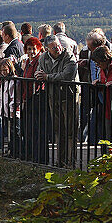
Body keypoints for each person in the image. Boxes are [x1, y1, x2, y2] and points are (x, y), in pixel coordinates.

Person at [35, 35, 80, 165]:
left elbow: (67, 75)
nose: (58, 49)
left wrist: (47, 77)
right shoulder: (44, 57)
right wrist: (38, 75)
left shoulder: (69, 56)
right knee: (58, 130)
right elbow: (39, 71)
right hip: (53, 96)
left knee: (70, 130)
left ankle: (71, 161)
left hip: (69, 96)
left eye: (58, 45)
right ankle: (60, 160)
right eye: (54, 47)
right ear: (47, 49)